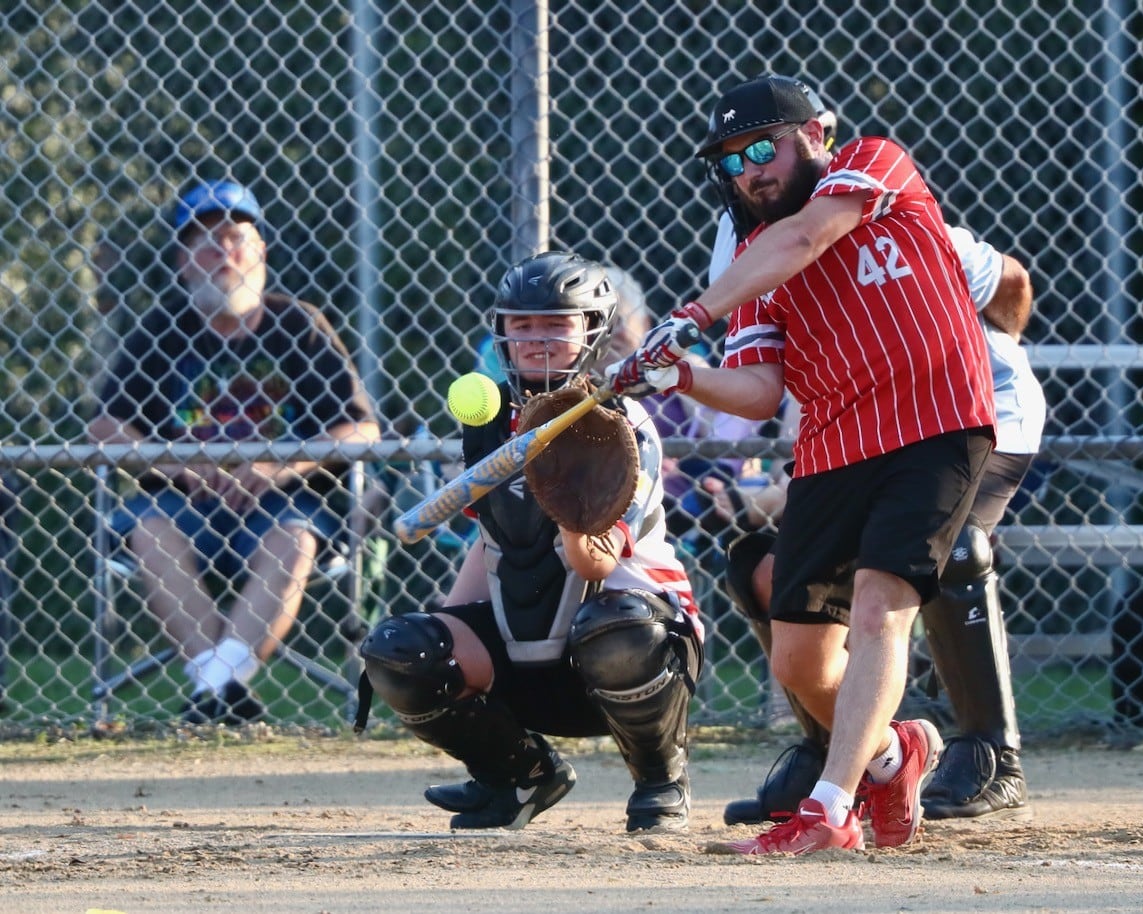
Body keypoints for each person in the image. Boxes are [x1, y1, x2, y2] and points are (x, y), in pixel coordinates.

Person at [609, 75, 996, 854]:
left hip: (935, 427)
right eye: (731, 161)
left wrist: (690, 318)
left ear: (816, 135)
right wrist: (678, 375)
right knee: (799, 660)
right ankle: (895, 754)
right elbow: (759, 390)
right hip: (833, 448)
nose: (750, 170)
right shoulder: (753, 264)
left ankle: (828, 811)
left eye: (764, 147)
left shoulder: (873, 166)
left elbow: (807, 238)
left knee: (881, 604)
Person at [356, 251, 703, 833]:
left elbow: (592, 562)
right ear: (502, 334)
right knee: (402, 649)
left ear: (592, 330)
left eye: (558, 325)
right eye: (523, 326)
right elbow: (496, 539)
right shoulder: (489, 419)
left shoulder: (624, 423)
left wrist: (569, 490)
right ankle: (520, 776)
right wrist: (445, 634)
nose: (538, 340)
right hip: (527, 642)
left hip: (632, 648)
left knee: (616, 631)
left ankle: (660, 778)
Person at [716, 229, 1046, 826]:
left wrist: (998, 345)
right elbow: (764, 385)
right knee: (762, 569)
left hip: (978, 407)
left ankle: (990, 753)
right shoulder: (741, 255)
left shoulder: (889, 216)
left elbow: (1013, 282)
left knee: (952, 548)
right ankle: (851, 758)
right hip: (858, 428)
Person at [88, 179, 380, 725]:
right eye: (203, 242)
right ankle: (225, 689)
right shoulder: (161, 329)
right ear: (182, 261)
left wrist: (276, 466)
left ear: (260, 251)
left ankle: (211, 688)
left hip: (281, 503)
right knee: (148, 531)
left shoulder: (299, 323)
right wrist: (183, 464)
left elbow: (360, 430)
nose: (221, 252)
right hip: (180, 504)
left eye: (233, 238)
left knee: (294, 540)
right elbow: (105, 427)